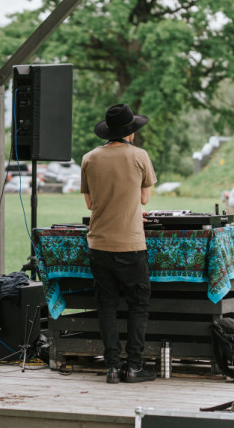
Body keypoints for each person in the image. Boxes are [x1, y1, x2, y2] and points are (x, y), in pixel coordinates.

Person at [80, 103, 157, 384]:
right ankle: (134, 366)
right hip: (131, 244)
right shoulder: (140, 156)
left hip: (99, 245)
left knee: (107, 307)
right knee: (138, 305)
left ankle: (112, 367)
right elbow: (144, 199)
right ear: (131, 133)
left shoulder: (89, 158)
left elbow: (91, 203)